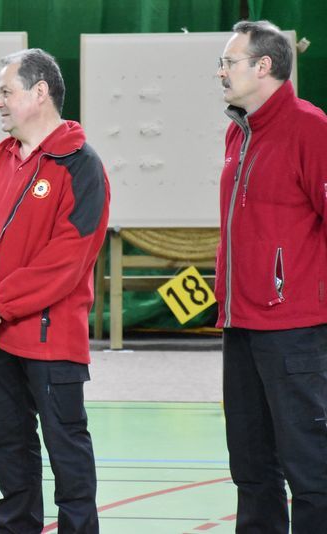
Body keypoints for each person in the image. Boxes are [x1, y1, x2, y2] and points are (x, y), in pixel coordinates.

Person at [0, 49, 109, 534]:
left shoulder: (81, 165)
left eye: (6, 92)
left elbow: (67, 259)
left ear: (40, 93)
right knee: (8, 450)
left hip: (49, 339)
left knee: (66, 449)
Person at [215, 20, 327, 533]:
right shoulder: (238, 132)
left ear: (264, 66)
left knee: (310, 464)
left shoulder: (310, 128)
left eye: (229, 62)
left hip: (295, 329)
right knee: (251, 465)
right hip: (240, 325)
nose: (221, 72)